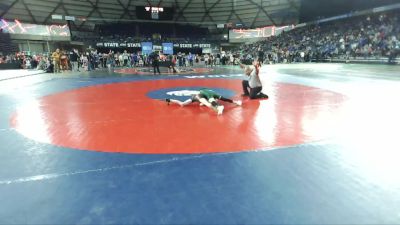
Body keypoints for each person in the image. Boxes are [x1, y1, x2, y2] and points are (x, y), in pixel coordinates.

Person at [166, 88, 242, 115]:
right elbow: (225, 99)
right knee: (208, 103)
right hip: (198, 97)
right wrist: (235, 102)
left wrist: (236, 102)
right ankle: (219, 107)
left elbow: (224, 99)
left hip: (196, 97)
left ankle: (170, 100)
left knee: (182, 104)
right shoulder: (210, 93)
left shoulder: (207, 93)